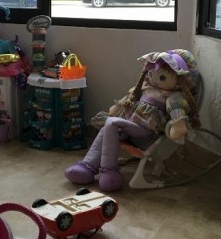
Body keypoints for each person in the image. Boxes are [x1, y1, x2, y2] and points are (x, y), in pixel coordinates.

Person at [64, 49, 200, 191]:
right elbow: (128, 101)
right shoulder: (145, 88)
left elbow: (177, 113)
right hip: (131, 128)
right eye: (151, 74)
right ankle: (87, 166)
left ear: (180, 79)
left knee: (111, 123)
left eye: (162, 77)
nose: (154, 79)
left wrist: (178, 126)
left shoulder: (173, 97)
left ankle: (109, 171)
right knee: (108, 127)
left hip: (146, 133)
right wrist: (117, 109)